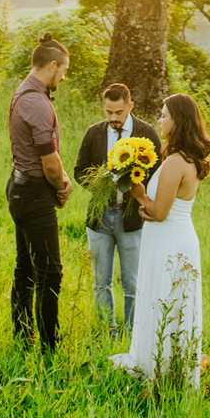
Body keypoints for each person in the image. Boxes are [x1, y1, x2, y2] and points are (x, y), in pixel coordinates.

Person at [110, 93, 210, 389]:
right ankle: (170, 363)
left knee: (162, 299)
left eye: (164, 115)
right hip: (178, 238)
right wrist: (147, 208)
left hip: (170, 242)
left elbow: (160, 211)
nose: (160, 120)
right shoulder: (187, 159)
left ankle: (157, 367)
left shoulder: (176, 162)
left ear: (178, 121)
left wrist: (140, 195)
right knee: (171, 302)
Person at [73, 83, 162, 336]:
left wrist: (141, 191)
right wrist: (99, 183)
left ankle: (132, 333)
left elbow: (159, 174)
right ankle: (106, 331)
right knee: (101, 282)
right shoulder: (94, 133)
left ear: (130, 107)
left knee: (132, 282)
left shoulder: (147, 134)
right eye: (108, 112)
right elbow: (79, 170)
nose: (113, 118)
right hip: (99, 218)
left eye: (119, 112)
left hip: (133, 219)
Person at [6, 34, 71, 352]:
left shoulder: (26, 92)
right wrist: (62, 186)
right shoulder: (36, 102)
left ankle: (22, 336)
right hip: (33, 193)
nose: (63, 77)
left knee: (26, 266)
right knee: (50, 273)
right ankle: (49, 346)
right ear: (52, 65)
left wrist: (60, 177)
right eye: (63, 71)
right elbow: (49, 163)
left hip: (21, 187)